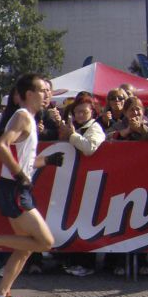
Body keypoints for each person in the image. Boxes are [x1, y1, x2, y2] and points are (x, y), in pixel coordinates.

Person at [0, 73, 64, 297]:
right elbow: (0, 146)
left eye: (48, 91)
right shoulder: (22, 116)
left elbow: (26, 160)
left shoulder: (29, 119)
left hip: (15, 188)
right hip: (13, 190)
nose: (47, 95)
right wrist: (20, 175)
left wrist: (48, 161)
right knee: (45, 242)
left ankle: (1, 296)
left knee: (25, 249)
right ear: (28, 94)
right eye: (43, 90)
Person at [57, 93, 105, 277]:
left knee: (85, 222)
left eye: (84, 112)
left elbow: (89, 148)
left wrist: (72, 136)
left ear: (92, 112)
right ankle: (72, 260)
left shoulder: (94, 128)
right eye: (77, 112)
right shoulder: (74, 127)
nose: (80, 115)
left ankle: (86, 263)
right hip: (71, 179)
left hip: (90, 180)